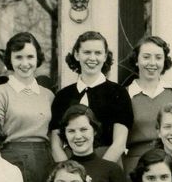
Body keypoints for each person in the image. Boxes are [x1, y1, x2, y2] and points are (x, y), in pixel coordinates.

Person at [0, 30, 56, 182]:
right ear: (10, 59)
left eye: (30, 57)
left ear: (37, 58)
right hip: (11, 161)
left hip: (45, 162)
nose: (25, 63)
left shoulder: (48, 95)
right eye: (18, 57)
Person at [50, 29, 130, 167]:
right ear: (77, 55)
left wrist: (99, 171)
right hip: (70, 165)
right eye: (87, 52)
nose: (92, 58)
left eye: (98, 53)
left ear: (105, 56)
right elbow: (55, 144)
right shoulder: (63, 96)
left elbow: (119, 143)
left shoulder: (118, 93)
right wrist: (68, 170)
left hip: (108, 164)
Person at [122, 34, 172, 175]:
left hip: (168, 164)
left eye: (158, 57)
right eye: (146, 57)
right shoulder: (124, 94)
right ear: (136, 60)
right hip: (135, 166)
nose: (152, 63)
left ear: (164, 61)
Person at [48, 105, 131, 182]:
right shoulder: (54, 170)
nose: (78, 136)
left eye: (83, 129)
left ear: (94, 131)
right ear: (65, 134)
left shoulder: (113, 170)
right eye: (71, 131)